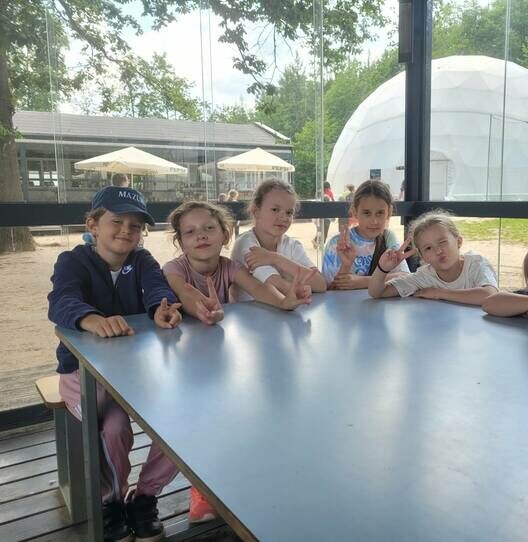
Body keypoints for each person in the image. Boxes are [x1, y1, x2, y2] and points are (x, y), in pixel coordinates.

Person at [163, 201, 313, 523]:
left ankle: (241, 477)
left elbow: (259, 289)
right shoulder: (174, 268)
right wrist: (201, 307)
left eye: (209, 228)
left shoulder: (230, 267)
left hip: (220, 352)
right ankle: (202, 489)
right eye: (190, 232)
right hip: (183, 360)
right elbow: (184, 292)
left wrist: (286, 302)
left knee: (234, 415)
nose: (201, 236)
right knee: (199, 422)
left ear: (225, 234)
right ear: (181, 241)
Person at [48, 186, 183, 542]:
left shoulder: (142, 260)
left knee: (182, 416)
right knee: (113, 426)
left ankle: (145, 496)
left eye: (135, 225)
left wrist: (160, 309)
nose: (126, 230)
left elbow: (157, 289)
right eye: (117, 221)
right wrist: (90, 318)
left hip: (134, 372)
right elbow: (61, 300)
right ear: (92, 224)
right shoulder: (72, 261)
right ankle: (111, 501)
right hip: (81, 373)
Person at [368, 210, 498, 304]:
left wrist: (439, 293)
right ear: (423, 256)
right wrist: (382, 269)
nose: (438, 251)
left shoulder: (476, 264)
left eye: (443, 242)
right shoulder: (425, 276)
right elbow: (377, 292)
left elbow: (489, 295)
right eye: (428, 248)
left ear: (458, 242)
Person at [230, 179, 326, 299]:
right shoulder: (245, 244)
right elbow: (276, 285)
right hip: (249, 310)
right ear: (256, 211)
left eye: (289, 213)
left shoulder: (292, 245)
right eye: (275, 210)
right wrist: (296, 279)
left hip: (287, 310)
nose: (283, 217)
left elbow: (320, 284)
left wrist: (275, 259)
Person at [322, 180, 409, 289]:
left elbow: (406, 278)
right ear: (355, 212)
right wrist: (346, 266)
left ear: (389, 212)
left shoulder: (388, 238)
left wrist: (362, 281)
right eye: (367, 213)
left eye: (380, 213)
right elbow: (327, 289)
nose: (374, 221)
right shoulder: (337, 244)